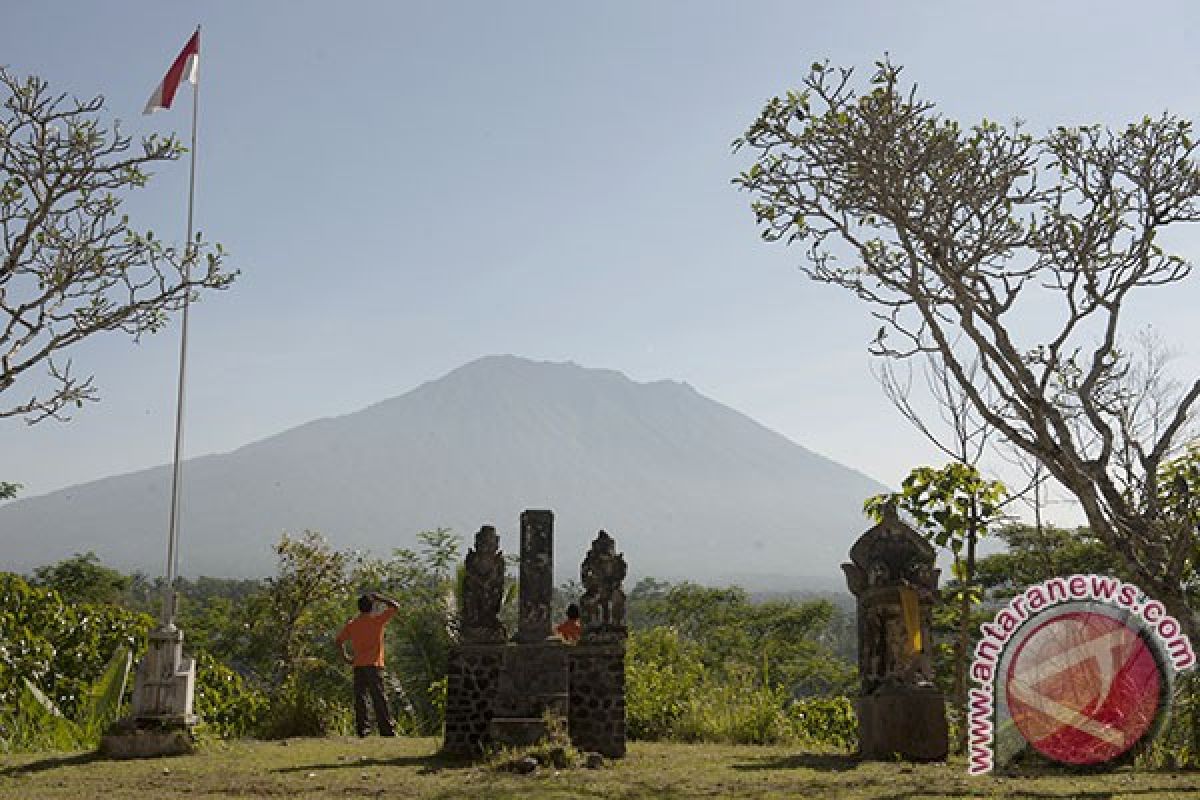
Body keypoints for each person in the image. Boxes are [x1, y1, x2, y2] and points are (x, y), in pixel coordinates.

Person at [335, 591, 400, 737]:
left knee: (361, 699)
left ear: (359, 608)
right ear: (371, 607)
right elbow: (395, 606)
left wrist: (346, 657)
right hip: (374, 665)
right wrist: (380, 598)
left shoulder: (352, 625)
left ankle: (363, 731)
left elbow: (338, 641)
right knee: (379, 698)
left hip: (358, 665)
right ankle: (387, 730)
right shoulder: (377, 621)